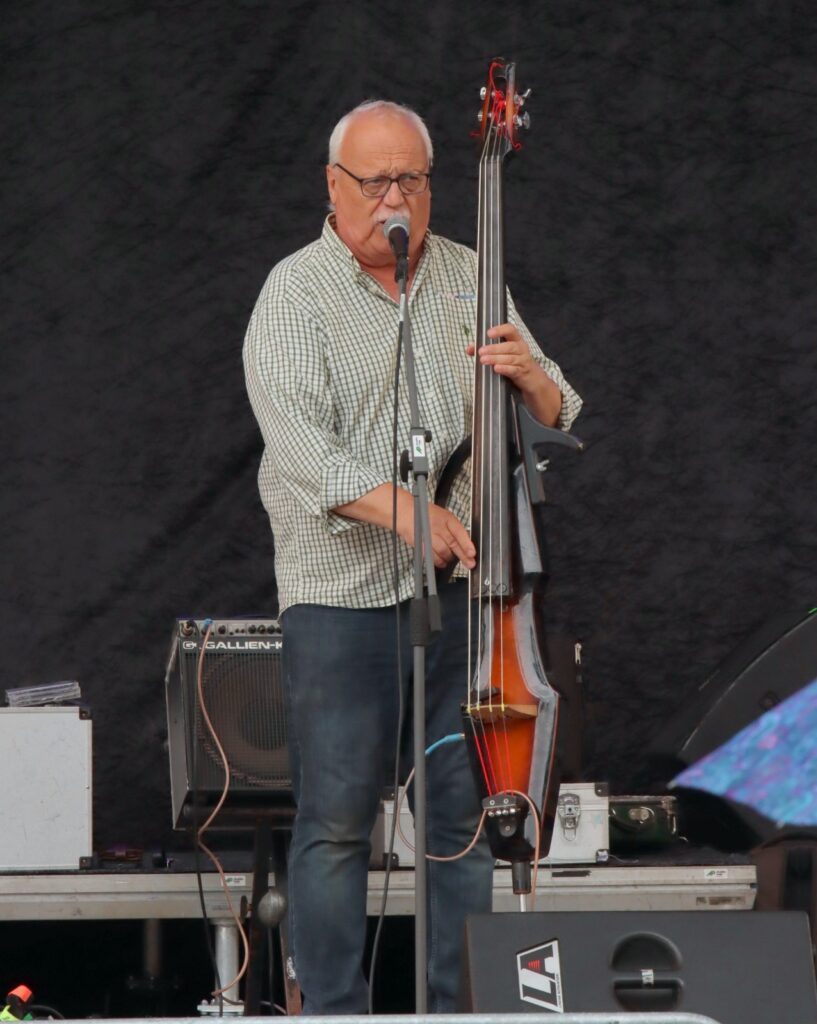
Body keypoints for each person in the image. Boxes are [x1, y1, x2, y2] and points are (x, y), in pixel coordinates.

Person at [243, 99, 582, 1014]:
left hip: (459, 596)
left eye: (411, 180)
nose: (393, 198)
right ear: (333, 187)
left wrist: (533, 378)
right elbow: (301, 450)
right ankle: (336, 1012)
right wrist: (403, 510)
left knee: (460, 818)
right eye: (374, 181)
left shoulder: (471, 275)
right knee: (337, 820)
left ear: (432, 188)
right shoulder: (294, 292)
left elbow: (561, 410)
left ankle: (454, 1006)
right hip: (339, 598)